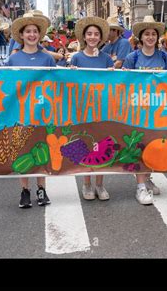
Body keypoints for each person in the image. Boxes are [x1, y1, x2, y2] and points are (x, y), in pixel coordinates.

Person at [122, 15, 167, 205]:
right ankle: (140, 187)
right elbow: (123, 84)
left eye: (153, 34)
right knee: (139, 146)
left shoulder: (164, 57)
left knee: (154, 146)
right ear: (141, 37)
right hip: (138, 110)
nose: (150, 37)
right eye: (147, 34)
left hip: (159, 109)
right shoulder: (132, 57)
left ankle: (148, 178)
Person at [7, 13, 55, 208]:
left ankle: (41, 189)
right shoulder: (13, 59)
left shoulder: (47, 58)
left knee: (42, 151)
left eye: (35, 31)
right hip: (20, 113)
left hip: (42, 112)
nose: (32, 34)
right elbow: (7, 84)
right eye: (28, 31)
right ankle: (25, 191)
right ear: (22, 35)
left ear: (39, 35)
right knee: (23, 152)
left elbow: (57, 80)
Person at [70, 16, 114, 201]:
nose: (93, 37)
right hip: (82, 109)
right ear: (84, 37)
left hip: (102, 109)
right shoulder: (76, 58)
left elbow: (114, 85)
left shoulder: (106, 59)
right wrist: (70, 72)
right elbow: (68, 84)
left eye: (96, 34)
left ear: (101, 37)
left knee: (102, 145)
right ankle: (86, 183)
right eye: (89, 34)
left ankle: (100, 184)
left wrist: (115, 75)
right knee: (85, 144)